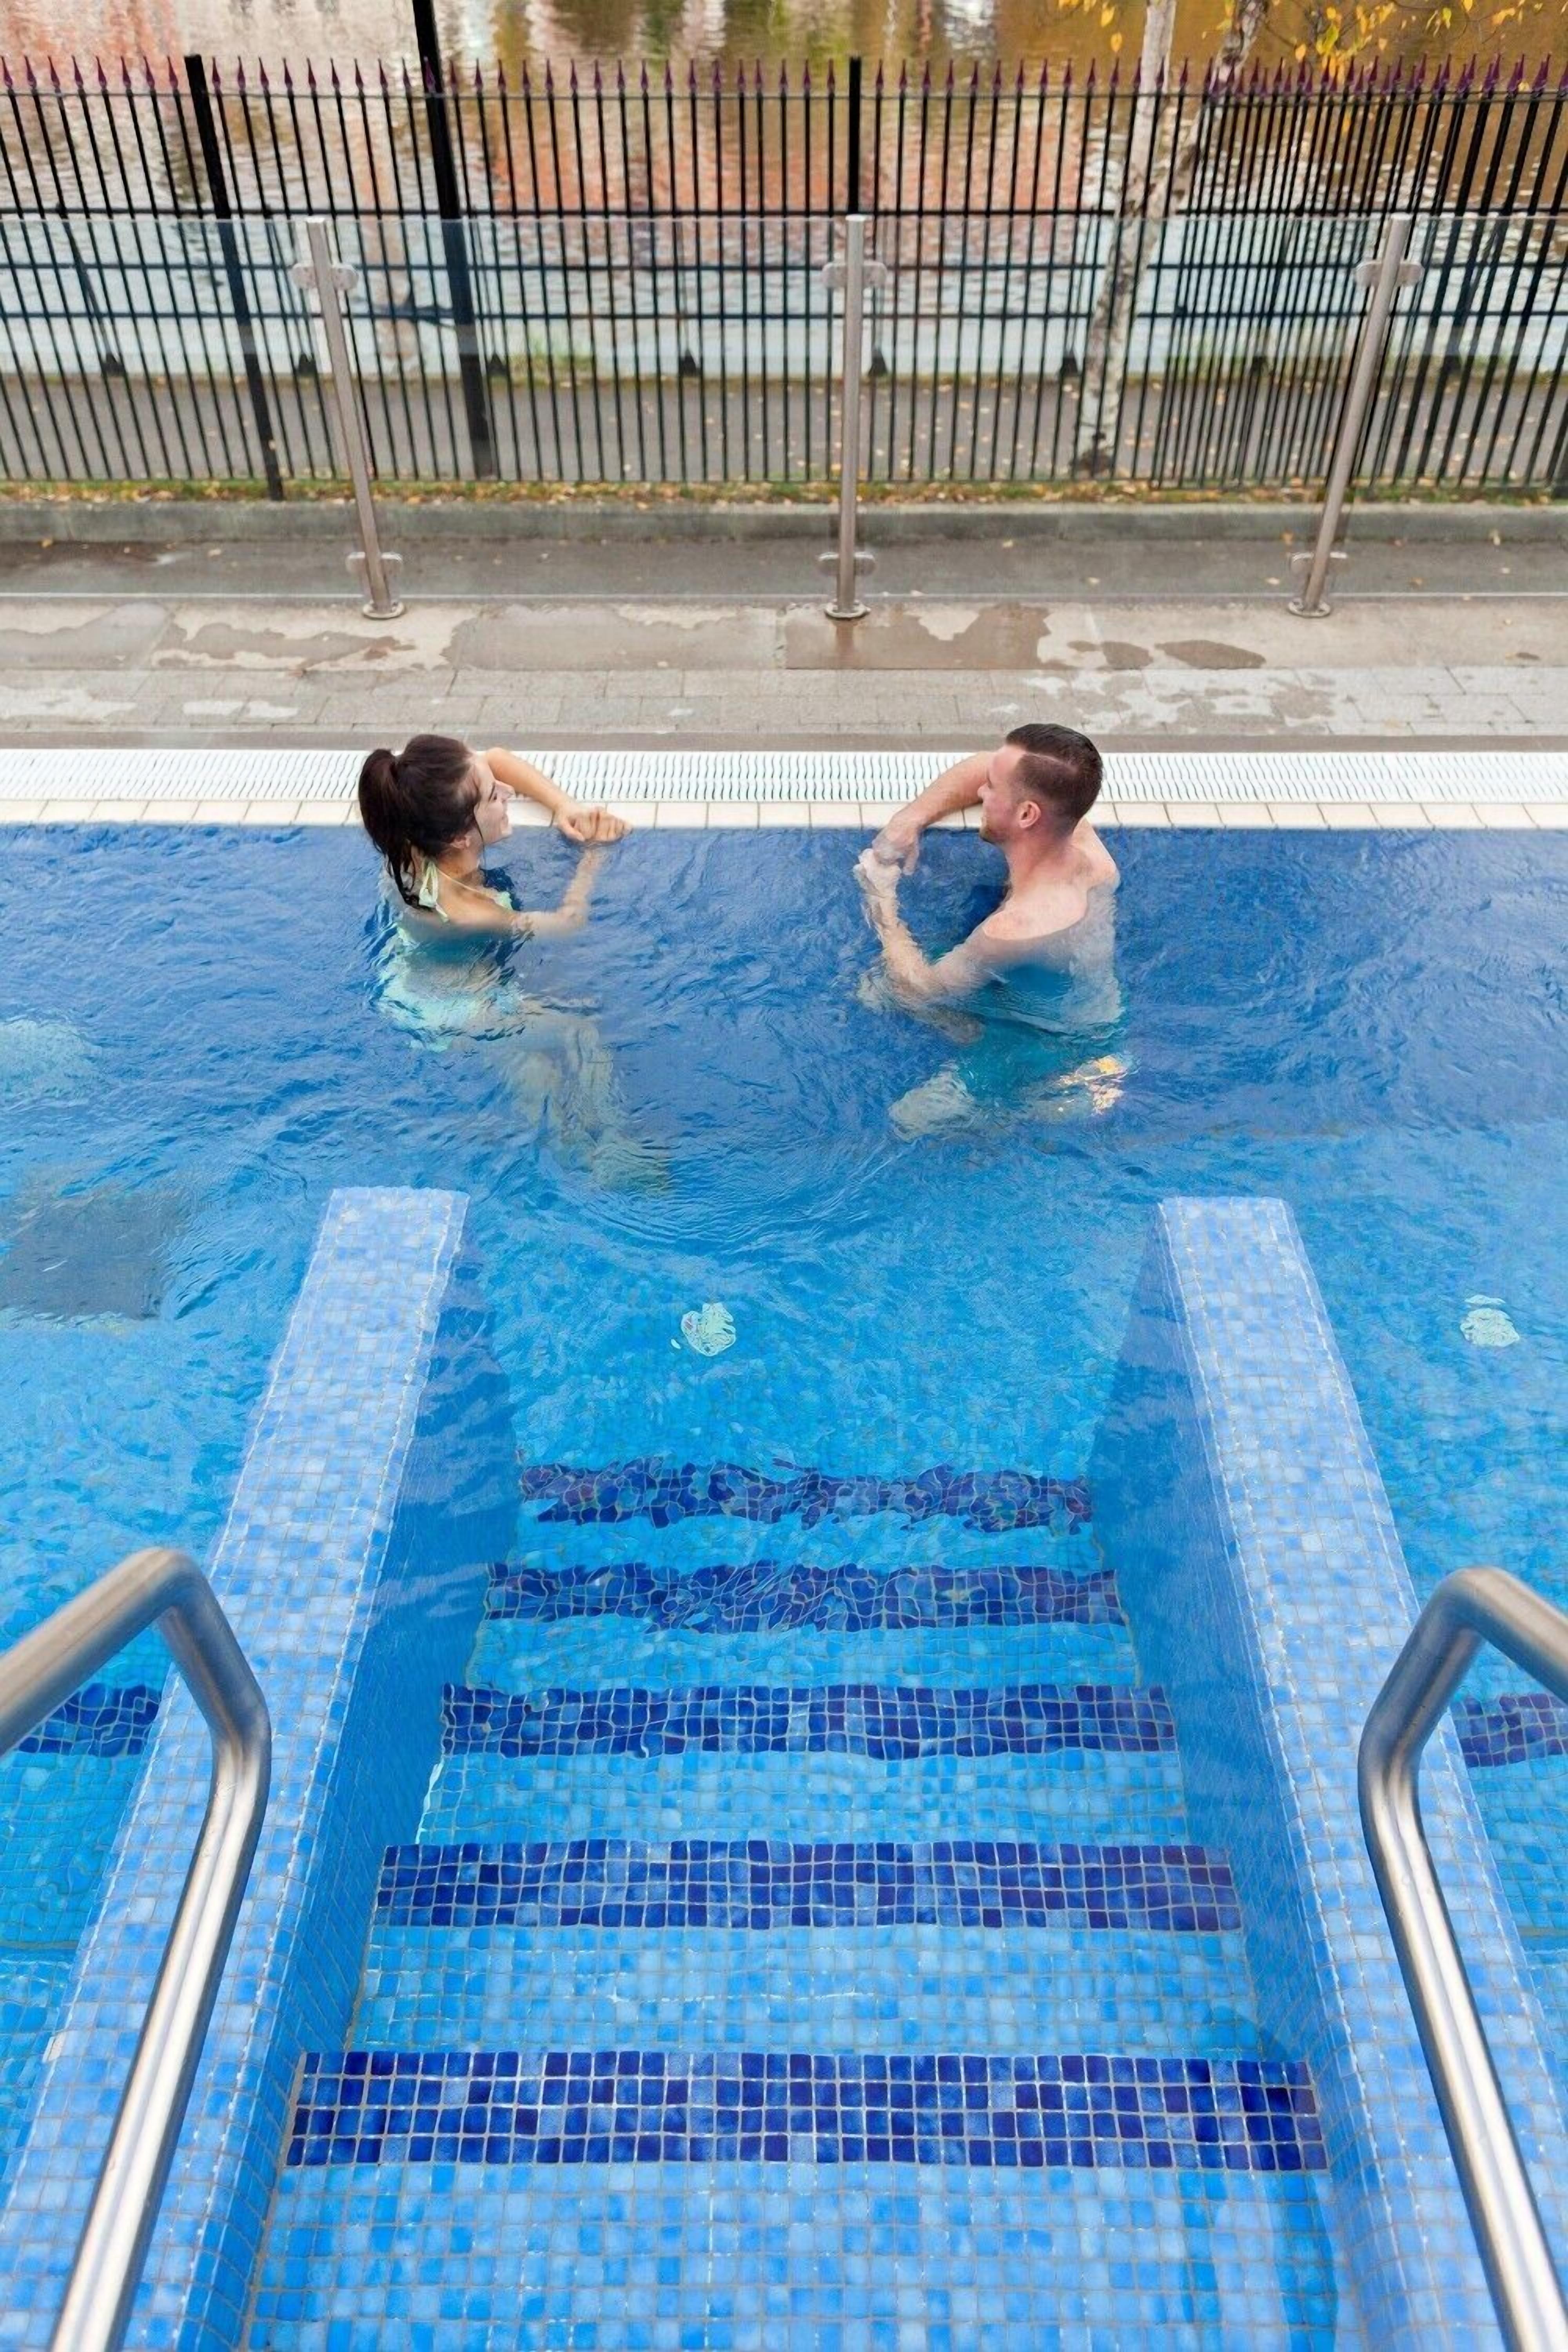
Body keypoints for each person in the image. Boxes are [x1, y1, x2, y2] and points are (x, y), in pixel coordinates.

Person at [358, 735, 661, 1185]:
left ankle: (576, 1163)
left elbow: (494, 758)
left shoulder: (415, 831)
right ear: (462, 835)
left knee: (537, 1069)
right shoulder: (467, 911)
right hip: (458, 1009)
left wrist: (564, 807)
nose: (506, 790)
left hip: (410, 975)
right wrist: (592, 858)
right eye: (492, 795)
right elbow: (567, 923)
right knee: (578, 1030)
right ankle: (613, 1143)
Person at [854, 723, 1127, 1136]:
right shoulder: (1086, 845)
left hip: (1050, 1050)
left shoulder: (1014, 930)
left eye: (992, 790)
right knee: (872, 991)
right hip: (1074, 1006)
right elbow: (985, 768)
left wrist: (880, 901)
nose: (981, 793)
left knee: (907, 1120)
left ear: (1026, 814)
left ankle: (1005, 1117)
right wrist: (910, 819)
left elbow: (919, 990)